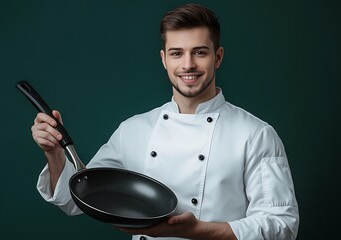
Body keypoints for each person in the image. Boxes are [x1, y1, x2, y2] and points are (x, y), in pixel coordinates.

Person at [31, 3, 299, 240]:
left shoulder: (255, 134)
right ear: (164, 60)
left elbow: (281, 225)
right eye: (176, 53)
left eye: (200, 52)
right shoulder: (133, 130)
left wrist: (197, 232)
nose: (188, 64)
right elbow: (76, 199)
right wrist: (54, 154)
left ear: (218, 57)